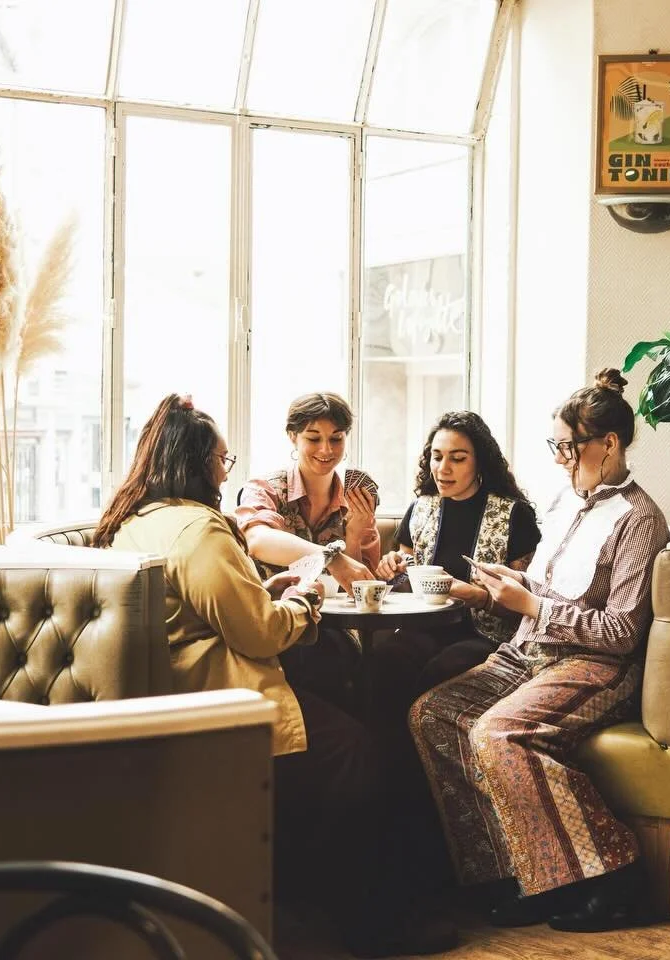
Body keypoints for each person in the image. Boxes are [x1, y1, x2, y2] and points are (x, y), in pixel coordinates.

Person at [93, 394, 453, 958]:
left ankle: (315, 906)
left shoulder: (132, 522)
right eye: (221, 459)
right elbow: (258, 634)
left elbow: (205, 610)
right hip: (225, 698)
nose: (224, 470)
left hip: (173, 693)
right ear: (196, 461)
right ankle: (370, 921)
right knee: (358, 751)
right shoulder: (200, 530)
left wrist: (269, 591)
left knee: (352, 702)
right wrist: (305, 600)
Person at [408, 369, 670, 933]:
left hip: (595, 665)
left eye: (568, 447)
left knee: (497, 733)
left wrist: (534, 607)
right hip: (528, 653)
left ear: (610, 445)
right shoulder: (561, 503)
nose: (559, 458)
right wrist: (513, 587)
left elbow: (623, 630)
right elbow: (552, 595)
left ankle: (618, 878)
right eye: (554, 446)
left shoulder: (640, 520)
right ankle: (517, 873)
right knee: (433, 714)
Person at [370, 411, 541, 727]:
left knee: (440, 673)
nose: (443, 469)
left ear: (480, 461)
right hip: (425, 626)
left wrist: (476, 596)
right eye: (436, 457)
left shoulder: (514, 515)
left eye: (457, 459)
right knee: (386, 661)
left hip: (488, 636)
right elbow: (404, 570)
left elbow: (526, 606)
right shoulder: (421, 508)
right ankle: (388, 772)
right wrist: (392, 567)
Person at [234, 392, 379, 706]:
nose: (326, 450)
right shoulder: (266, 488)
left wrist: (353, 536)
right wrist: (330, 557)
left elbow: (360, 590)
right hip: (274, 626)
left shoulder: (356, 501)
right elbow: (257, 540)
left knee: (376, 667)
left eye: (336, 439)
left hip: (332, 630)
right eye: (314, 438)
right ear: (293, 437)